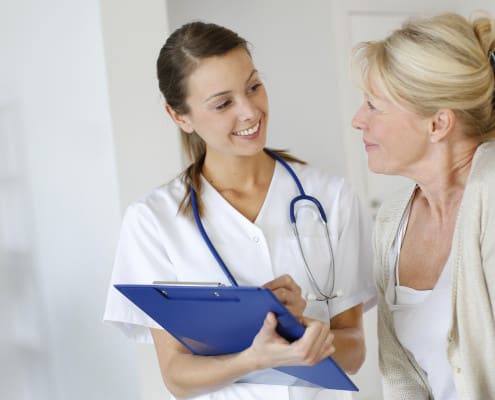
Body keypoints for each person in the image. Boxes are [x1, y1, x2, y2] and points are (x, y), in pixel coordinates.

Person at [104, 21, 375, 400]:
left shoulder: (330, 197)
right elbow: (176, 376)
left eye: (253, 86)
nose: (250, 112)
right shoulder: (152, 220)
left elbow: (354, 351)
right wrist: (252, 358)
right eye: (223, 103)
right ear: (179, 117)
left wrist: (302, 327)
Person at [351, 11, 495, 400]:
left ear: (437, 124)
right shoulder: (391, 221)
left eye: (373, 106)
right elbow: (400, 376)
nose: (357, 120)